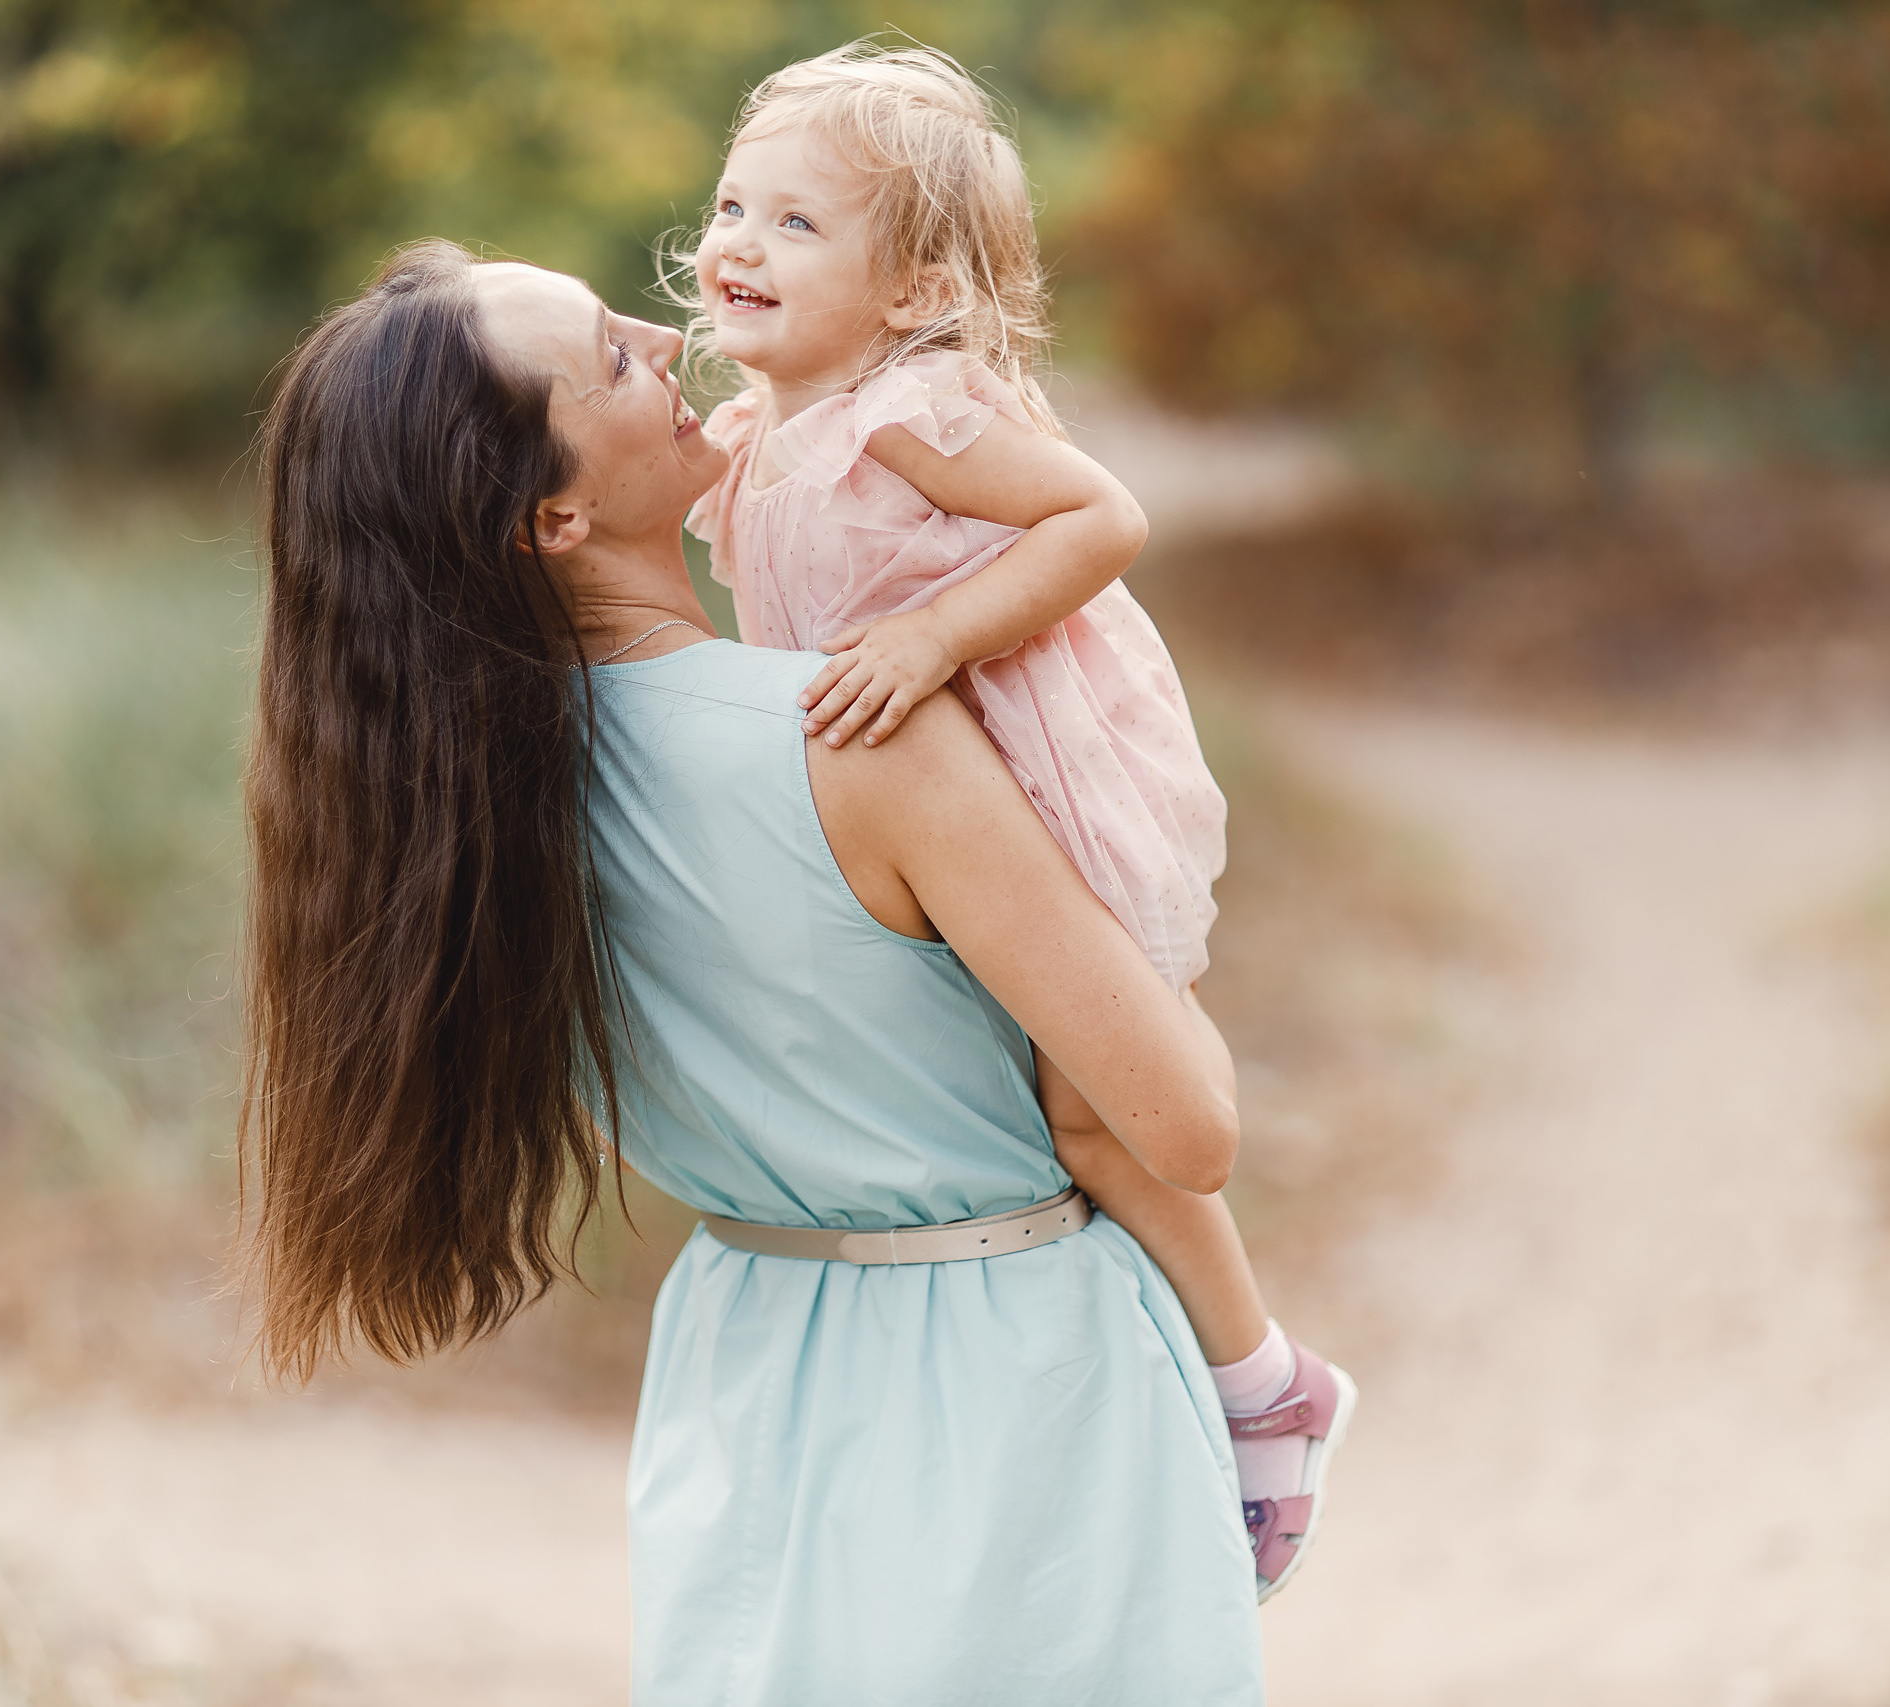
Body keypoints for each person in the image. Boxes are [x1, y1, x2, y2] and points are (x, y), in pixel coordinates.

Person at [237, 240, 1266, 1702]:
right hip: (1025, 1374)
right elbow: (1187, 1127)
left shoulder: (465, 836)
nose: (668, 337)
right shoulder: (856, 736)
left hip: (749, 1365)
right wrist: (1138, 905)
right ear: (553, 516)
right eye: (608, 356)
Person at [677, 40, 1352, 1598]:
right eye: (732, 206)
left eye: (797, 226)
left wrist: (935, 638)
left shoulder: (905, 412)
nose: (737, 245)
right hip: (914, 828)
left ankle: (1266, 1385)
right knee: (1007, 1112)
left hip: (1038, 772)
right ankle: (1118, 1407)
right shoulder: (757, 421)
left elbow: (1100, 516)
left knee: (1094, 1113)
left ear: (915, 291)